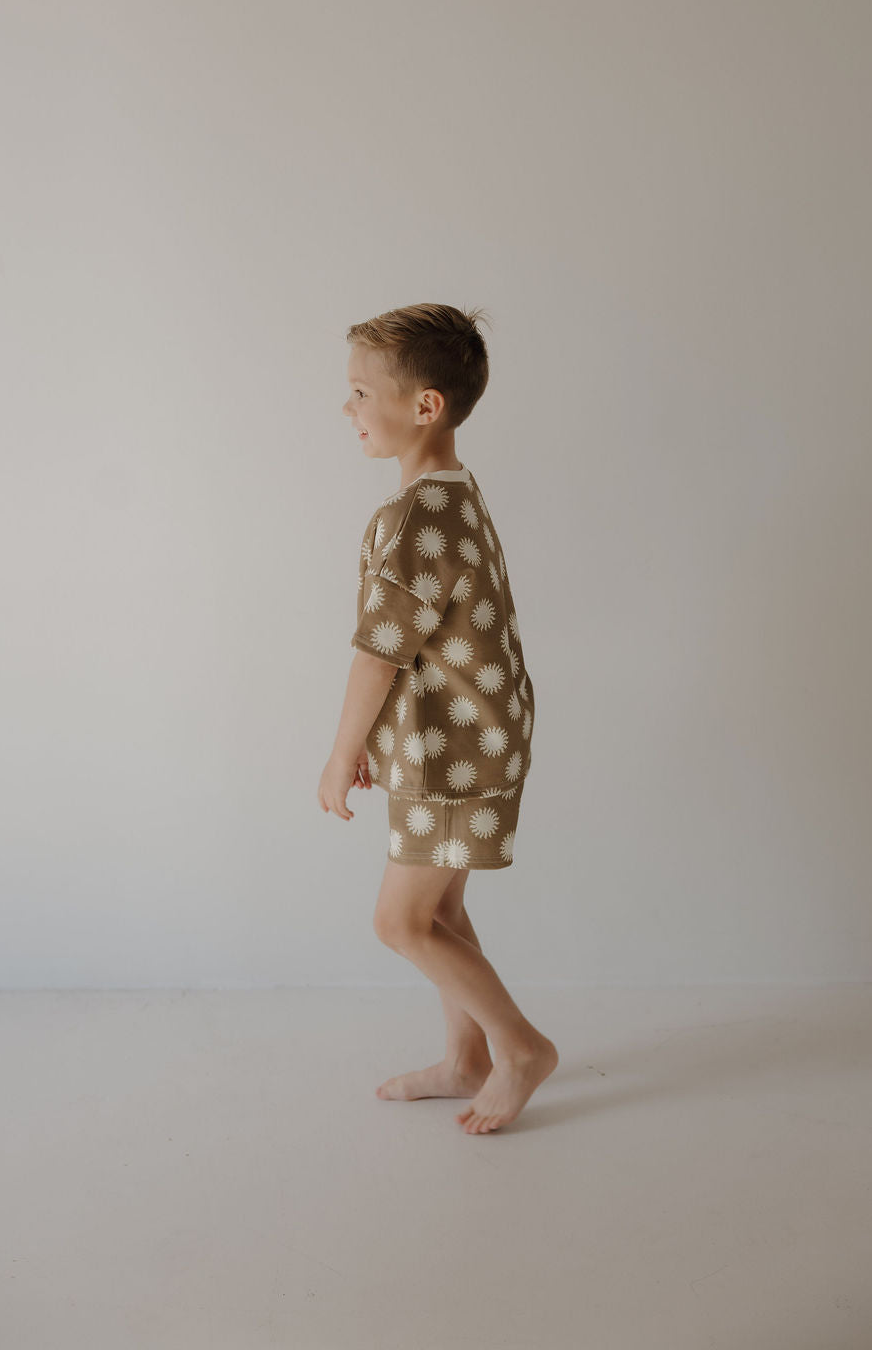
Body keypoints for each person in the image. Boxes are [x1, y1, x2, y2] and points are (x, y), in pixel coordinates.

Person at [317, 303, 558, 1134]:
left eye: (360, 392)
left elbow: (378, 653)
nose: (347, 408)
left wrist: (340, 753)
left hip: (454, 754)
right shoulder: (447, 494)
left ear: (426, 406)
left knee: (400, 921)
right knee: (442, 915)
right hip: (463, 741)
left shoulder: (421, 517)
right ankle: (466, 1060)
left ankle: (520, 1047)